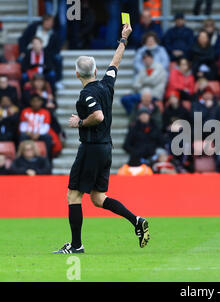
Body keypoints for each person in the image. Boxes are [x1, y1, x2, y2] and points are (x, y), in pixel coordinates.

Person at [53, 24, 150, 254]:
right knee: (97, 198)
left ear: (77, 74)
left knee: (73, 195)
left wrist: (80, 122)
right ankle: (136, 220)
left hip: (91, 148)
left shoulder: (86, 94)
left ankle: (76, 246)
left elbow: (97, 115)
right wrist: (123, 39)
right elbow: (115, 63)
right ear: (95, 72)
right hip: (106, 148)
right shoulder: (106, 84)